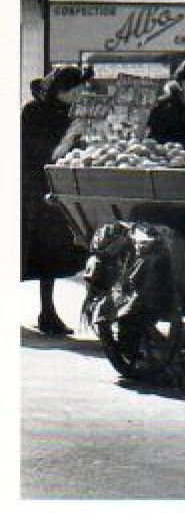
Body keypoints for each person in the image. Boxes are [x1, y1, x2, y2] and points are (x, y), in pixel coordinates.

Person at [21, 64, 93, 335]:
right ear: (61, 90)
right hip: (31, 190)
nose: (80, 94)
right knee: (25, 250)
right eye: (76, 89)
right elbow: (40, 154)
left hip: (54, 191)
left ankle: (47, 311)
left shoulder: (69, 113)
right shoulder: (33, 112)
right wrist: (70, 137)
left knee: (49, 252)